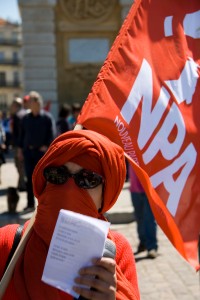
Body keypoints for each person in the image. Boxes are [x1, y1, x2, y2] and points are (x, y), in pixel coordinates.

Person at [0, 130, 140, 300]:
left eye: (88, 179)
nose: (69, 190)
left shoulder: (117, 252)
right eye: (57, 175)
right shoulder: (7, 243)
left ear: (106, 194)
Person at [18, 91, 55, 212]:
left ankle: (44, 205)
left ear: (38, 102)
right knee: (29, 179)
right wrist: (20, 150)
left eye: (31, 100)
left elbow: (52, 134)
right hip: (28, 152)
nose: (29, 102)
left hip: (42, 154)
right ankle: (30, 204)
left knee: (43, 179)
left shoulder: (47, 118)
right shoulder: (26, 118)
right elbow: (22, 135)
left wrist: (46, 146)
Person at [129, 164, 158, 258]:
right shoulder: (130, 149)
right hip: (134, 189)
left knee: (149, 218)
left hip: (149, 189)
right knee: (139, 218)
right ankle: (143, 243)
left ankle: (152, 247)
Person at [10, 97, 27, 191]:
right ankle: (21, 183)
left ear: (15, 105)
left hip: (19, 145)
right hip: (25, 144)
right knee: (22, 165)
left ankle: (22, 184)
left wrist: (18, 147)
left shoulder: (17, 116)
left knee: (19, 165)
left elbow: (18, 133)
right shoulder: (25, 113)